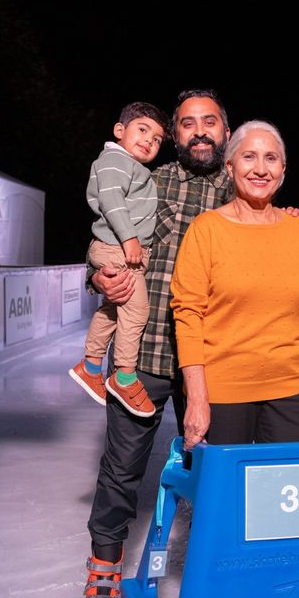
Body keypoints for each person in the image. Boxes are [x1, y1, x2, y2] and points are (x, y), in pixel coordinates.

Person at [80, 89, 234, 598]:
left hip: (212, 362)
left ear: (225, 132)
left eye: (209, 122)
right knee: (121, 470)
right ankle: (102, 576)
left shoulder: (244, 192)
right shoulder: (146, 177)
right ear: (175, 133)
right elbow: (101, 239)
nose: (199, 131)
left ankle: (222, 571)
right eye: (187, 123)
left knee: (217, 471)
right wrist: (98, 276)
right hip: (141, 355)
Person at [170, 120, 299, 449]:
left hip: (291, 392)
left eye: (271, 159)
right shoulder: (206, 230)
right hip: (222, 393)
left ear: (283, 170)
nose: (260, 169)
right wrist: (197, 399)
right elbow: (187, 316)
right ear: (229, 167)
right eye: (249, 157)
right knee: (226, 498)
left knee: (287, 495)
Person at [69, 101, 168, 418]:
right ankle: (124, 376)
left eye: (156, 139)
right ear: (119, 130)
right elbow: (111, 202)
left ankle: (90, 366)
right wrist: (129, 239)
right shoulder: (114, 160)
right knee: (136, 311)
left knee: (113, 310)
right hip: (118, 247)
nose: (149, 141)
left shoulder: (132, 166)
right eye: (142, 130)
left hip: (115, 247)